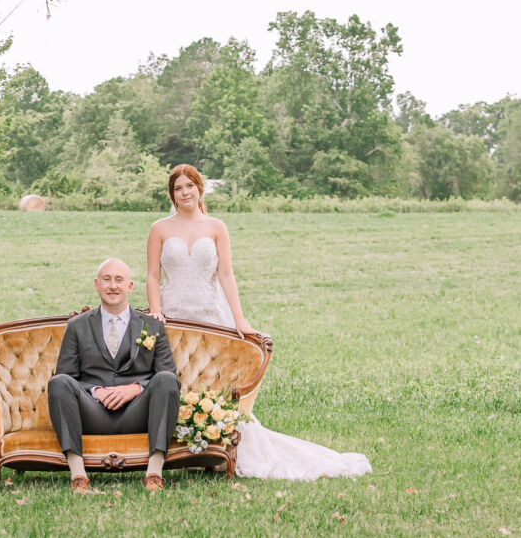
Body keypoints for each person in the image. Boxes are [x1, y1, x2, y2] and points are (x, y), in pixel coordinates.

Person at [146, 164, 372, 481]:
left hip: (210, 314)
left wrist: (239, 319)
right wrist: (156, 313)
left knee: (214, 382)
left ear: (199, 189)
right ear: (172, 194)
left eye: (189, 186)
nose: (185, 192)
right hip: (173, 315)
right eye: (178, 188)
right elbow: (153, 275)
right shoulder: (159, 228)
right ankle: (178, 450)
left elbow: (226, 274)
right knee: (178, 379)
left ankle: (218, 448)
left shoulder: (216, 227)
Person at [47, 258, 180, 494]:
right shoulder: (77, 326)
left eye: (119, 280)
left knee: (167, 380)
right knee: (58, 383)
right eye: (107, 280)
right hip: (93, 412)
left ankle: (154, 473)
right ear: (97, 285)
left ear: (129, 286)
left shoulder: (152, 326)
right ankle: (78, 475)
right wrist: (95, 391)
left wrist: (136, 388)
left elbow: (169, 374)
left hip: (137, 412)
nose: (113, 286)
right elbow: (67, 375)